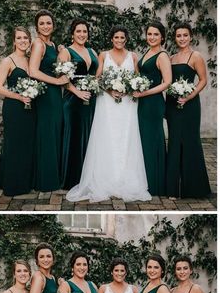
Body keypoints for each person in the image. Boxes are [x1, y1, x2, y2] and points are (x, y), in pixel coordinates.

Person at [66, 25, 151, 203]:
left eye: (122, 38)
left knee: (126, 137)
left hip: (127, 103)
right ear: (111, 39)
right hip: (107, 102)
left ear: (126, 39)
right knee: (108, 137)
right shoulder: (103, 55)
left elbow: (138, 79)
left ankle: (125, 178)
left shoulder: (133, 56)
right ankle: (106, 178)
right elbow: (97, 78)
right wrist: (110, 90)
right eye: (116, 38)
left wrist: (129, 90)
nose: (119, 40)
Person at [166, 22, 211, 199]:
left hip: (189, 104)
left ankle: (194, 187)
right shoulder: (171, 58)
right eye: (178, 36)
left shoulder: (196, 56)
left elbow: (202, 80)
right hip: (172, 104)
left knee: (190, 141)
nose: (182, 38)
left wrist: (188, 96)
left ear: (190, 36)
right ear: (175, 38)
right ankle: (174, 189)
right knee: (175, 141)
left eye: (185, 35)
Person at [0, 27, 36, 196]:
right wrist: (18, 97)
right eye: (19, 38)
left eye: (25, 37)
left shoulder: (30, 60)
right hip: (14, 108)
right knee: (13, 144)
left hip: (31, 108)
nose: (22, 40)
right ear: (14, 41)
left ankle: (26, 179)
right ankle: (12, 183)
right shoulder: (8, 61)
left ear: (29, 40)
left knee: (27, 144)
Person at [29, 10, 68, 192]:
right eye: (42, 23)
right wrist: (57, 81)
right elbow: (33, 72)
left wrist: (60, 51)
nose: (46, 26)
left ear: (54, 25)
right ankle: (46, 180)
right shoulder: (38, 44)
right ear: (37, 26)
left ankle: (54, 175)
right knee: (47, 134)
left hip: (54, 95)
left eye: (48, 23)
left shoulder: (52, 44)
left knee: (55, 132)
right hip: (46, 95)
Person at [59, 19, 99, 189]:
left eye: (84, 31)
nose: (82, 34)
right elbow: (62, 78)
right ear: (72, 34)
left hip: (91, 100)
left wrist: (94, 85)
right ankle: (72, 179)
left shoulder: (92, 51)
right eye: (78, 31)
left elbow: (98, 75)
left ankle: (88, 176)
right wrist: (78, 92)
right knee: (75, 137)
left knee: (90, 137)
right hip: (73, 100)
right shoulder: (66, 53)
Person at [134, 21, 172, 196]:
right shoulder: (148, 52)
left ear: (162, 37)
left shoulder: (162, 55)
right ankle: (144, 179)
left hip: (153, 102)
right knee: (143, 140)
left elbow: (167, 82)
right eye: (149, 34)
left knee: (152, 140)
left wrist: (145, 92)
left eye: (156, 34)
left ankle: (155, 182)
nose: (152, 37)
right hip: (143, 101)